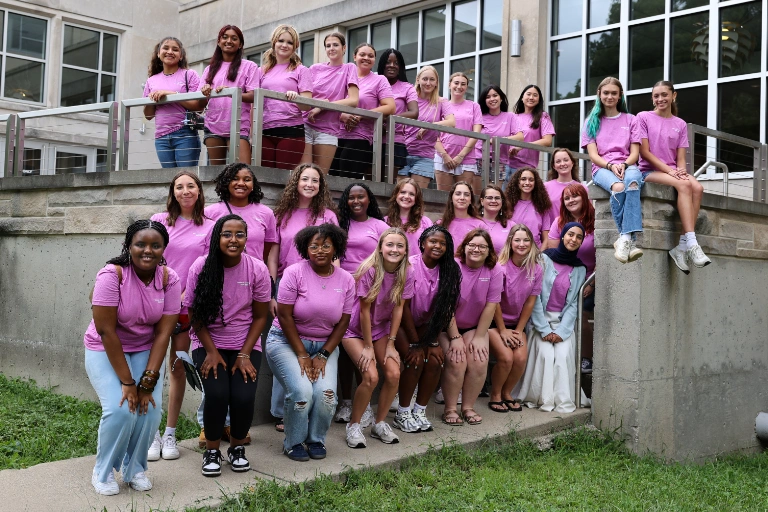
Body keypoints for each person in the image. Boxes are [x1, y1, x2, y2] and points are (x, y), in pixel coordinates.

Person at [85, 220, 180, 495]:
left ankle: (134, 468)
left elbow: (164, 333)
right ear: (129, 246)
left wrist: (147, 383)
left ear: (164, 249)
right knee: (120, 409)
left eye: (155, 245)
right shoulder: (112, 275)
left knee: (149, 410)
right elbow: (105, 330)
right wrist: (128, 383)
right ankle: (102, 471)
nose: (147, 250)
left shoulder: (169, 278)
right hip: (105, 348)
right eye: (141, 244)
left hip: (144, 348)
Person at [186, 215, 271, 476]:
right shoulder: (201, 267)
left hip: (245, 345)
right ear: (216, 237)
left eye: (239, 234)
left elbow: (260, 316)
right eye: (227, 234)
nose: (233, 240)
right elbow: (194, 315)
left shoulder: (257, 269)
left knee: (243, 397)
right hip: (207, 342)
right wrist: (211, 351)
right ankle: (212, 450)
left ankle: (236, 448)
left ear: (247, 238)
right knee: (217, 394)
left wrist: (245, 354)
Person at [266, 224, 356, 461]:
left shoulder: (346, 279)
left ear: (336, 248)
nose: (320, 250)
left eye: (326, 245)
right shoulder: (294, 273)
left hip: (324, 346)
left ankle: (315, 440)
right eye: (314, 246)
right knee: (301, 392)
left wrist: (324, 354)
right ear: (305, 249)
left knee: (327, 395)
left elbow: (343, 322)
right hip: (285, 342)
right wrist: (303, 355)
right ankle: (293, 442)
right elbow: (284, 316)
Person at [147, 172, 214, 461]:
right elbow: (148, 258)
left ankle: (170, 432)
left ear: (199, 192)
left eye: (191, 186)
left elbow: (210, 266)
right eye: (179, 187)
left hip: (187, 308)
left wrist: (188, 294)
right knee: (149, 369)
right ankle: (151, 434)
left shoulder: (210, 226)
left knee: (177, 369)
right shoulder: (159, 220)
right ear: (173, 192)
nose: (185, 191)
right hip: (155, 305)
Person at [268, 163, 338, 431]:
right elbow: (273, 253)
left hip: (320, 286)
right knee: (285, 346)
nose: (310, 184)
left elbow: (337, 254)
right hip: (287, 287)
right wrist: (272, 288)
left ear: (321, 186)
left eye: (315, 181)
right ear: (296, 181)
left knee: (313, 344)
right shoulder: (281, 215)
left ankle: (310, 407)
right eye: (305, 179)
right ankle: (282, 411)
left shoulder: (328, 216)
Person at [341, 228, 413, 448]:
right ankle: (354, 425)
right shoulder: (369, 270)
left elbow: (399, 309)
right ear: (381, 247)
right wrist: (369, 347)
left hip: (381, 329)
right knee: (371, 377)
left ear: (406, 250)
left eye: (400, 245)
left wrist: (391, 343)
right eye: (390, 244)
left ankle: (379, 423)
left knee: (393, 373)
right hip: (354, 330)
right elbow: (364, 311)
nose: (394, 249)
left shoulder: (407, 272)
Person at [393, 225, 461, 433]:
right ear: (422, 243)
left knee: (434, 361)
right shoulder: (410, 266)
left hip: (428, 327)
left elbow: (446, 309)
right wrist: (416, 344)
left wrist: (432, 342)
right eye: (433, 241)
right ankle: (402, 413)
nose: (438, 246)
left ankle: (419, 411)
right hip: (401, 324)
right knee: (415, 360)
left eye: (442, 243)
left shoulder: (450, 270)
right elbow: (401, 309)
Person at [637, 80, 710, 273]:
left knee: (698, 187)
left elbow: (680, 159)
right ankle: (692, 244)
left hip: (671, 171)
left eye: (664, 95)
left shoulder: (680, 124)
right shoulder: (643, 117)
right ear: (652, 98)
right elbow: (644, 153)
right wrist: (671, 172)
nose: (660, 99)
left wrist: (680, 171)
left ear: (673, 96)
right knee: (685, 186)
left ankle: (682, 246)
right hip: (649, 171)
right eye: (656, 95)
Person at [516, 222, 587, 413]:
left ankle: (561, 400)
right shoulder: (544, 259)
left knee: (563, 356)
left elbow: (573, 303)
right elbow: (535, 297)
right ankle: (542, 398)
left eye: (578, 237)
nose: (573, 239)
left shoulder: (580, 269)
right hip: (540, 321)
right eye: (570, 234)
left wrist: (562, 331)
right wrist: (545, 329)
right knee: (547, 355)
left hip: (563, 323)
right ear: (562, 236)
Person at [334, 182, 389, 426]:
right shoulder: (340, 224)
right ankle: (345, 402)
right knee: (344, 352)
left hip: (369, 292)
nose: (356, 201)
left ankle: (362, 404)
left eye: (361, 197)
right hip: (342, 291)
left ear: (369, 200)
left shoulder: (380, 226)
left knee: (359, 352)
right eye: (351, 197)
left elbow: (391, 255)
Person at [440, 229, 502, 426]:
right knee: (456, 359)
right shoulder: (452, 266)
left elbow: (491, 305)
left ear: (489, 251)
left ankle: (468, 407)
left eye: (482, 246)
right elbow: (446, 305)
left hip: (475, 326)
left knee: (479, 358)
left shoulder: (495, 270)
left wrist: (479, 336)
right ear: (464, 246)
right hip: (446, 326)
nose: (476, 249)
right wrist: (455, 337)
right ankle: (450, 409)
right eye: (472, 245)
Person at [583, 77, 644, 264]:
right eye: (606, 92)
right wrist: (610, 166)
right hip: (602, 168)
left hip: (628, 165)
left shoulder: (631, 120)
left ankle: (624, 239)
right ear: (599, 95)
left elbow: (635, 153)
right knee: (618, 188)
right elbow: (593, 155)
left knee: (633, 183)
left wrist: (624, 165)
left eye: (614, 93)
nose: (610, 96)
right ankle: (629, 240)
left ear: (620, 96)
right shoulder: (591, 122)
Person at [487, 224, 542, 413]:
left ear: (532, 243)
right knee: (506, 358)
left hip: (516, 323)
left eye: (526, 240)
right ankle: (495, 394)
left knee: (520, 358)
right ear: (510, 242)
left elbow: (530, 302)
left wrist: (519, 330)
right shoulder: (499, 267)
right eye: (517, 239)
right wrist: (502, 330)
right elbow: (494, 302)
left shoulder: (536, 269)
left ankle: (507, 392)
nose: (522, 244)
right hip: (494, 322)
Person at [197, 25, 259, 165]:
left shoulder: (250, 66)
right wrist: (205, 91)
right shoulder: (209, 69)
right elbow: (200, 106)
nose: (229, 41)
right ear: (219, 42)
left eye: (234, 38)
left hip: (238, 126)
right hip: (213, 126)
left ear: (240, 44)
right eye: (224, 37)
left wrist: (233, 93)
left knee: (243, 170)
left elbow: (253, 96)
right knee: (216, 173)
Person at [301, 32, 360, 174]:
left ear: (344, 48)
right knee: (303, 173)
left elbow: (353, 100)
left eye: (335, 45)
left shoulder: (349, 68)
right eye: (328, 46)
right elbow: (305, 95)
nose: (331, 48)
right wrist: (320, 103)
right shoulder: (315, 68)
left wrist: (322, 106)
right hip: (306, 124)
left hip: (328, 129)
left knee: (320, 176)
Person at [335, 43, 395, 179]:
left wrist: (361, 115)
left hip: (360, 137)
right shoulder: (343, 76)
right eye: (362, 54)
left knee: (347, 178)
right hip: (335, 134)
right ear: (354, 57)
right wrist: (341, 115)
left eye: (371, 56)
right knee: (331, 177)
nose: (366, 58)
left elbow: (390, 107)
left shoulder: (379, 80)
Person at [259, 24, 313, 170]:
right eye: (281, 41)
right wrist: (252, 132)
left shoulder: (302, 70)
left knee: (284, 178)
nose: (284, 45)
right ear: (274, 42)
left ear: (295, 46)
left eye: (289, 42)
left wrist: (297, 98)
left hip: (291, 130)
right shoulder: (261, 71)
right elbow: (254, 104)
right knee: (265, 178)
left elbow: (306, 106)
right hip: (264, 130)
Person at [143, 37, 202, 168]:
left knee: (186, 178)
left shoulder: (189, 75)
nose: (170, 52)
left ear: (181, 56)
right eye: (166, 48)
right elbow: (148, 115)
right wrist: (152, 100)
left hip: (185, 134)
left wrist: (172, 94)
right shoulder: (151, 80)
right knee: (171, 182)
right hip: (161, 137)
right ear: (158, 53)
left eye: (175, 49)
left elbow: (198, 107)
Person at [205, 163, 277, 263]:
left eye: (247, 180)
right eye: (235, 179)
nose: (241, 183)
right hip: (219, 273)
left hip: (254, 274)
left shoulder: (266, 213)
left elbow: (267, 249)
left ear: (253, 185)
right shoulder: (209, 212)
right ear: (226, 183)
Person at [398, 65, 455, 189]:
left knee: (415, 194)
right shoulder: (410, 99)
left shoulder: (441, 102)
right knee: (399, 193)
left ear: (436, 83)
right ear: (418, 80)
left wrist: (429, 126)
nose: (428, 83)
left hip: (424, 157)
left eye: (432, 79)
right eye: (425, 79)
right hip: (403, 152)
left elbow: (451, 122)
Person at [434, 72, 483, 192]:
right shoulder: (440, 105)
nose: (459, 86)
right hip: (443, 157)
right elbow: (433, 134)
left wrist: (460, 156)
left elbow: (476, 134)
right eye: (456, 83)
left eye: (463, 84)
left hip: (467, 157)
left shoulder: (474, 106)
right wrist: (445, 156)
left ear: (466, 87)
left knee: (464, 196)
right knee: (443, 197)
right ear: (449, 84)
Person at [504, 84, 555, 190]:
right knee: (504, 203)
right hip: (505, 165)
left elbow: (547, 141)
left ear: (539, 99)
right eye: (528, 94)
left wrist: (521, 146)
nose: (531, 97)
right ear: (522, 98)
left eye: (535, 95)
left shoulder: (543, 116)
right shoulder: (513, 117)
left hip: (526, 168)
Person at [379, 48, 418, 175]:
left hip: (395, 142)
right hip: (372, 139)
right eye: (388, 62)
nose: (392, 65)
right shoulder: (374, 82)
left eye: (396, 63)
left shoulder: (407, 87)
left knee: (388, 183)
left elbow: (414, 113)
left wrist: (388, 119)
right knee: (371, 182)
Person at [547, 184, 596, 278]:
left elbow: (602, 258)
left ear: (584, 198)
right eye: (567, 198)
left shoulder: (596, 221)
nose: (571, 200)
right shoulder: (558, 222)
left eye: (575, 196)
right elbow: (554, 256)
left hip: (589, 279)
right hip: (563, 278)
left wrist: (591, 283)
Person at [477, 85, 522, 184]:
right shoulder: (479, 116)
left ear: (501, 98)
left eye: (495, 95)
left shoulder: (510, 116)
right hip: (479, 159)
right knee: (479, 194)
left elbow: (520, 136)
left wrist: (498, 140)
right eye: (488, 97)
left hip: (499, 161)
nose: (492, 99)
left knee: (494, 194)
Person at [505, 167, 553, 247]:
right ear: (518, 182)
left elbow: (546, 239)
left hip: (536, 253)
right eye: (523, 179)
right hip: (513, 252)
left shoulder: (542, 206)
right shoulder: (508, 205)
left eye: (531, 180)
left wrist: (540, 255)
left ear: (535, 183)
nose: (527, 183)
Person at [384, 178, 433, 256]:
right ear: (396, 195)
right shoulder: (385, 221)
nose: (406, 196)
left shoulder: (425, 222)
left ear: (416, 198)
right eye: (403, 192)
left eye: (411, 194)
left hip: (416, 267)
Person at [544, 148, 588, 223]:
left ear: (572, 163)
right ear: (554, 166)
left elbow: (587, 213)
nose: (562, 164)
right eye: (558, 161)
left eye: (566, 160)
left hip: (576, 232)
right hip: (552, 233)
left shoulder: (583, 188)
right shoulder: (545, 187)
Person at [438, 181, 485, 249]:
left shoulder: (480, 225)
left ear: (470, 200)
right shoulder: (440, 224)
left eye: (466, 194)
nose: (462, 198)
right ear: (451, 198)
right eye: (458, 194)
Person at [478, 184, 510, 254]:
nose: (493, 200)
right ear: (482, 201)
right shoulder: (474, 223)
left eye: (497, 198)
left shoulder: (511, 226)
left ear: (502, 201)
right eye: (489, 198)